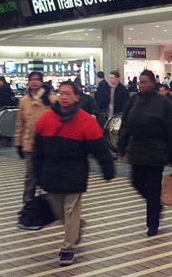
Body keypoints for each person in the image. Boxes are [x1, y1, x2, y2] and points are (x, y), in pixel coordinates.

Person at [33, 81, 114, 266]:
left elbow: (99, 148)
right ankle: (76, 227)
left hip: (75, 172)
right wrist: (36, 172)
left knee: (71, 210)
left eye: (68, 93)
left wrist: (107, 170)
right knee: (58, 210)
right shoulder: (46, 119)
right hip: (51, 172)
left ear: (77, 97)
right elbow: (38, 150)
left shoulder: (85, 120)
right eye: (61, 93)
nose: (64, 97)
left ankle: (68, 248)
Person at [117, 70, 172, 237]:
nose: (141, 85)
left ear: (153, 83)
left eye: (145, 82)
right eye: (140, 82)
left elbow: (171, 130)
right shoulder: (133, 101)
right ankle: (156, 205)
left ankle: (152, 224)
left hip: (156, 152)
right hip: (137, 150)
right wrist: (121, 147)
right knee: (136, 182)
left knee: (153, 188)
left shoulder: (163, 103)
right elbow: (125, 126)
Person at [15, 72, 56, 212]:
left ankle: (51, 205)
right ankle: (28, 204)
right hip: (29, 144)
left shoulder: (51, 99)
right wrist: (18, 143)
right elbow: (20, 123)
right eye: (31, 80)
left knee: (48, 175)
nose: (34, 82)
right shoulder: (24, 101)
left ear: (41, 82)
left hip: (47, 145)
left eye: (37, 80)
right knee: (30, 176)